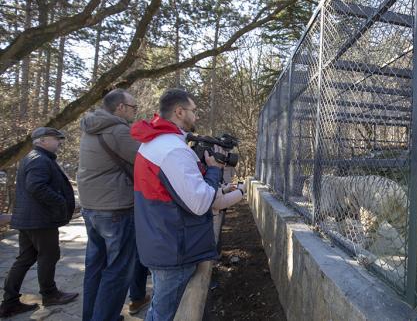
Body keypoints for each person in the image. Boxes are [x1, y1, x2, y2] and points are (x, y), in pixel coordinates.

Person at [131, 88, 244, 321]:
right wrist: (213, 171)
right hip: (173, 247)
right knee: (165, 314)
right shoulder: (172, 150)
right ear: (179, 112)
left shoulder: (158, 142)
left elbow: (179, 192)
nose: (197, 116)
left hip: (162, 239)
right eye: (193, 111)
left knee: (160, 309)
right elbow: (200, 202)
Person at [77, 89, 149, 321]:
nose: (135, 112)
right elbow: (145, 161)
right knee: (118, 270)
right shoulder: (118, 130)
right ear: (120, 107)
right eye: (133, 108)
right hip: (115, 209)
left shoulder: (92, 128)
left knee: (95, 267)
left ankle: (92, 316)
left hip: (91, 209)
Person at [0, 127, 78, 318]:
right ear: (43, 141)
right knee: (49, 256)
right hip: (40, 220)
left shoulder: (35, 157)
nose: (59, 142)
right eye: (56, 138)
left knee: (25, 259)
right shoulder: (39, 160)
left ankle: (9, 302)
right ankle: (50, 295)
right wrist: (60, 202)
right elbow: (36, 186)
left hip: (31, 220)